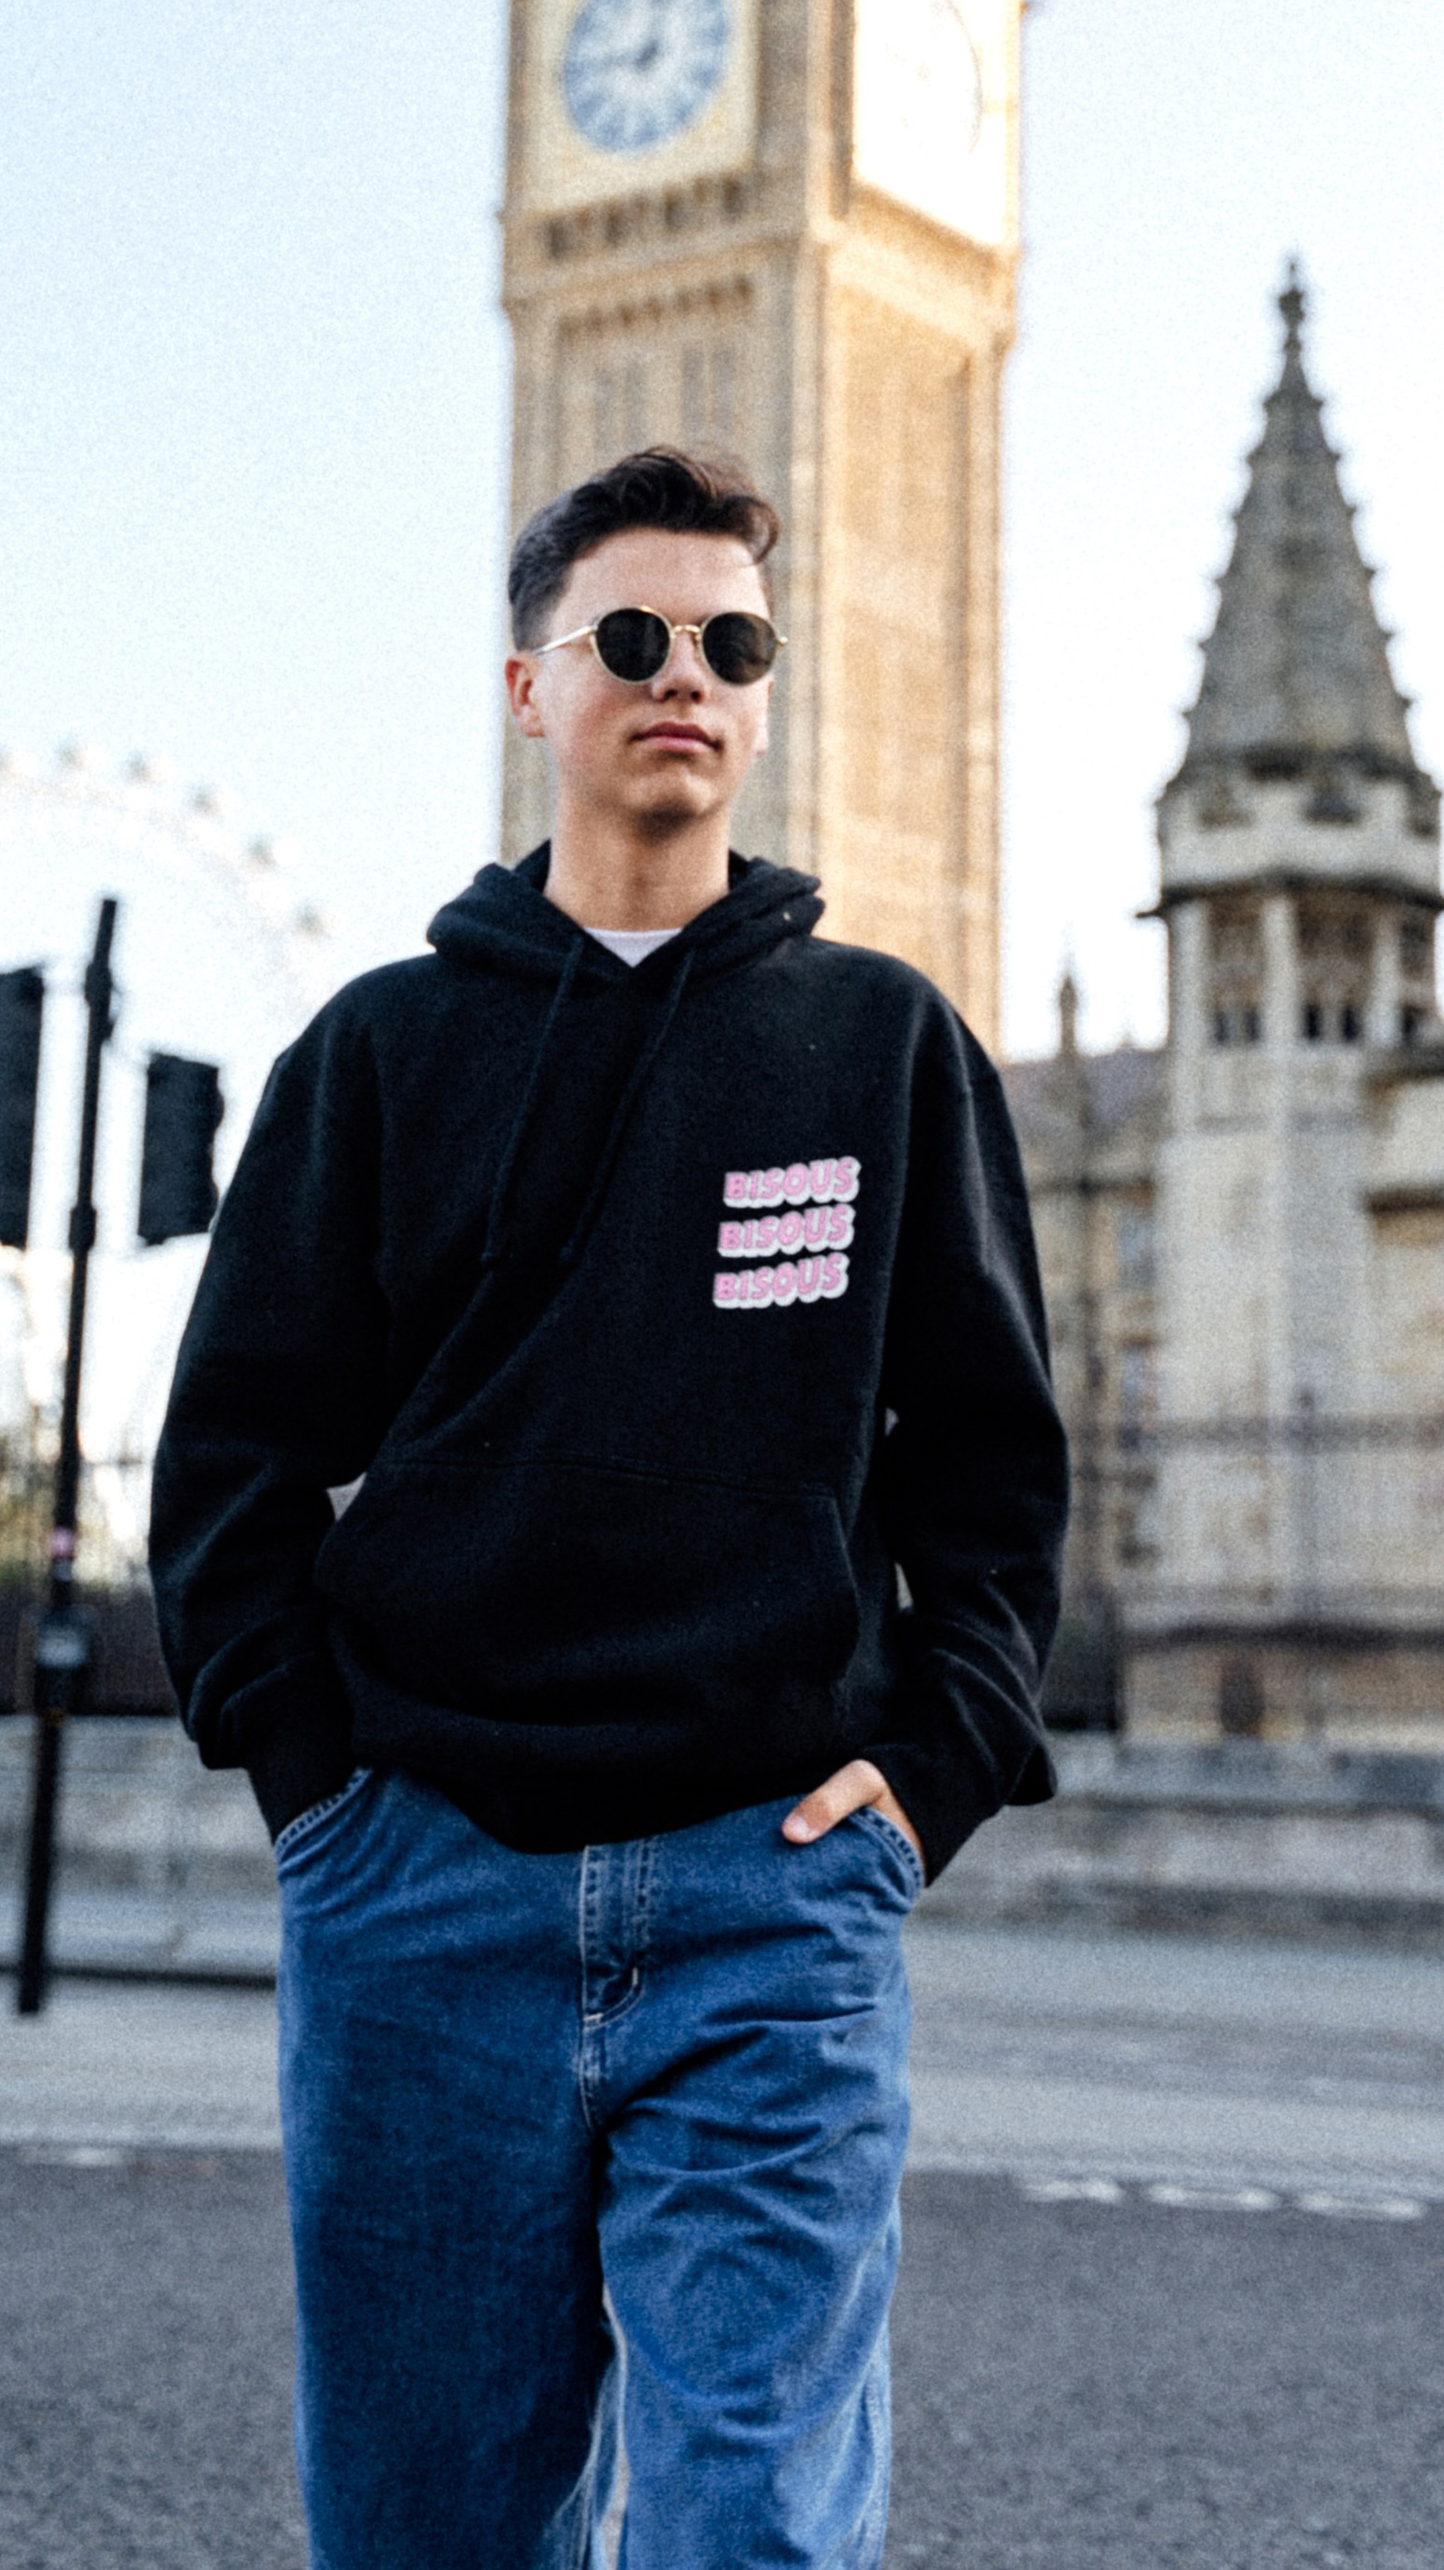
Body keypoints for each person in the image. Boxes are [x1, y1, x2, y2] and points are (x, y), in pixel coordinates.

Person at [151, 445, 1067, 2570]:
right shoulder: (374, 1053)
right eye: (628, 636)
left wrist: (931, 1770)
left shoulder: (882, 1045)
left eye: (729, 643)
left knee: (752, 2521)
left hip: (771, 1895)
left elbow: (992, 1463)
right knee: (427, 2528)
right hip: (423, 1897)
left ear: (761, 699)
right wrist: (321, 1790)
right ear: (525, 687)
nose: (684, 674)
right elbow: (231, 1462)